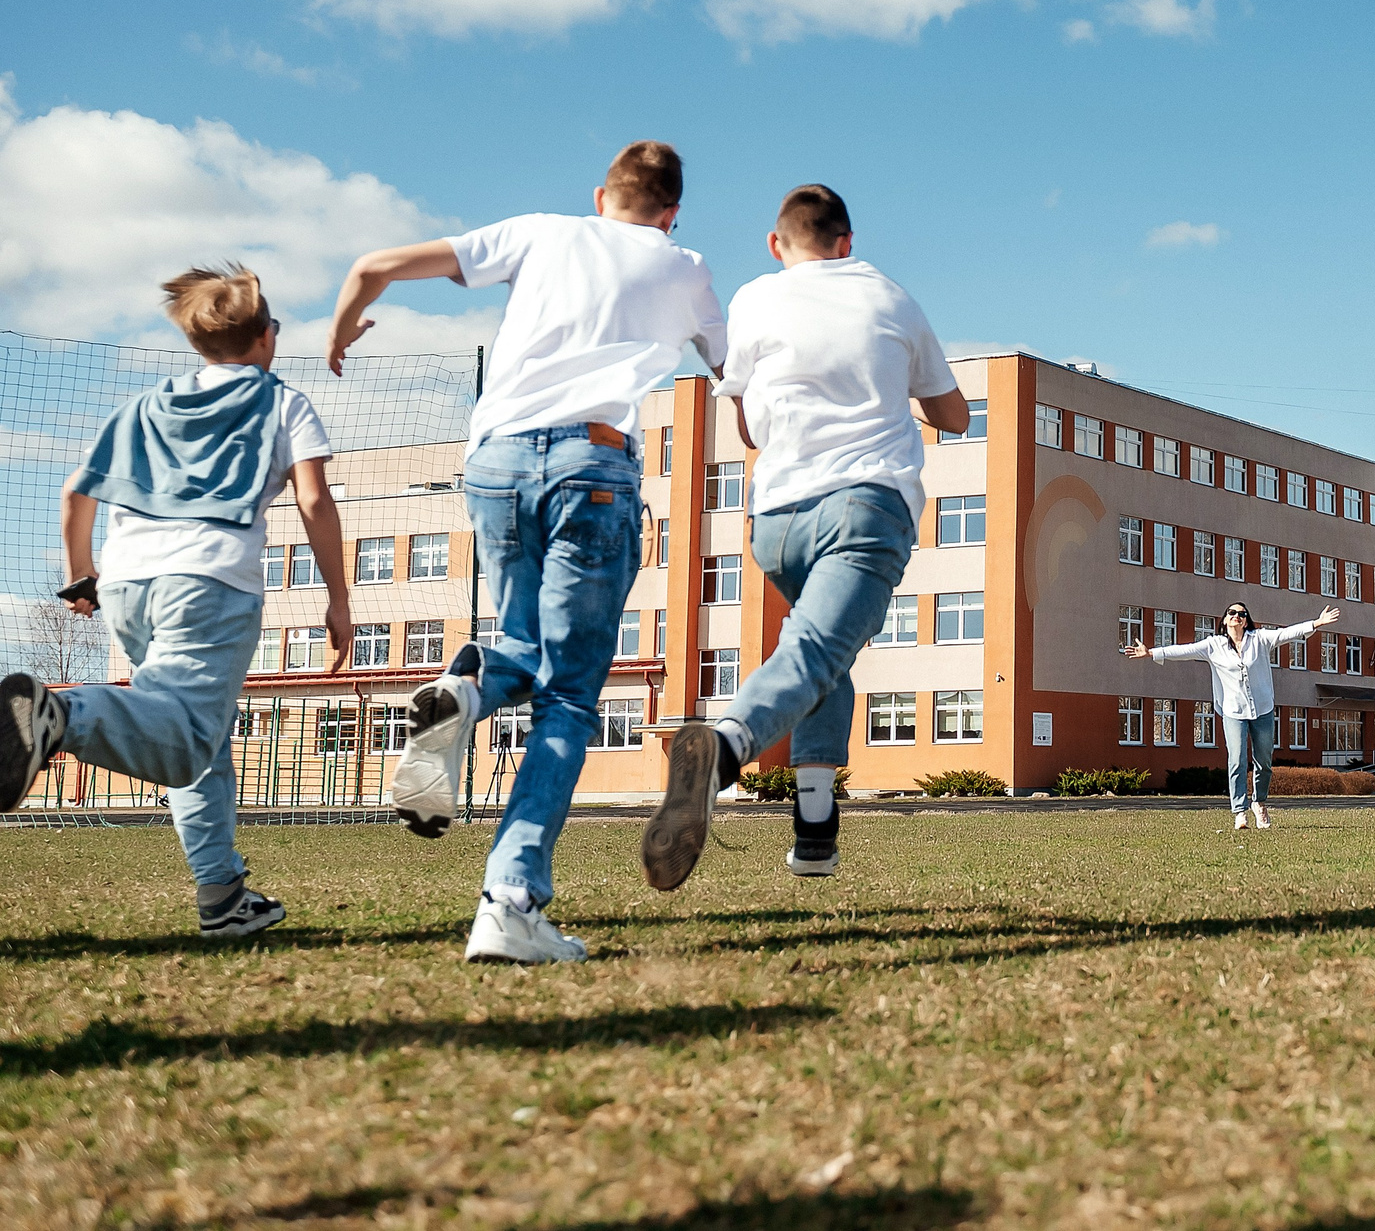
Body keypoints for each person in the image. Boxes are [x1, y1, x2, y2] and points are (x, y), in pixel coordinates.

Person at [327, 141, 727, 964]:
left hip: (496, 461)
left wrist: (344, 318)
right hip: (594, 464)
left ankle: (462, 693)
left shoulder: (541, 232)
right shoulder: (683, 266)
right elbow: (734, 373)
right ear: (672, 210)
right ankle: (509, 902)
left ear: (600, 195)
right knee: (571, 698)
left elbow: (375, 263)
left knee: (518, 641)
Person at [0, 265, 349, 938]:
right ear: (265, 338)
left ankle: (222, 895)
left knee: (202, 737)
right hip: (209, 582)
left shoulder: (146, 404)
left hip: (129, 580)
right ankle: (58, 714)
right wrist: (338, 599)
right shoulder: (283, 402)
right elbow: (313, 499)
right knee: (187, 740)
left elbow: (77, 493)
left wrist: (82, 576)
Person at [641, 183, 967, 890]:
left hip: (776, 521)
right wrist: (889, 379)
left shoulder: (755, 299)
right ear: (847, 242)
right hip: (864, 508)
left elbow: (750, 427)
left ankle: (815, 832)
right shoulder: (891, 297)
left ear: (776, 244)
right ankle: (722, 751)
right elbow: (956, 414)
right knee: (816, 650)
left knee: (827, 659)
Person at [1123, 600, 1342, 829]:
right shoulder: (1213, 645)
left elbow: (1286, 633)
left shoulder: (1259, 639)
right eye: (1232, 612)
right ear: (1225, 619)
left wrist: (1316, 623)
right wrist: (1151, 653)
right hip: (1233, 711)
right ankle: (1240, 812)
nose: (1237, 616)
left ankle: (1259, 802)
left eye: (1242, 613)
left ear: (1246, 620)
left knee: (1264, 761)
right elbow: (1184, 650)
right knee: (1236, 759)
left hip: (1263, 709)